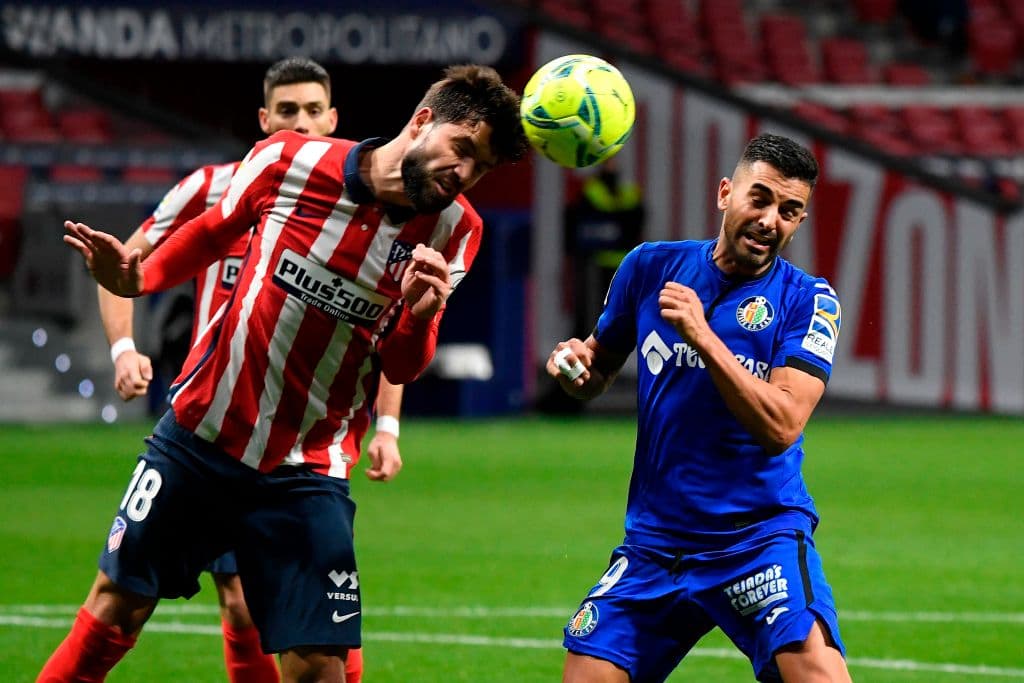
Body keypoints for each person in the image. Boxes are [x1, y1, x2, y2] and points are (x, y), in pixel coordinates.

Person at [43, 64, 528, 683]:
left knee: (320, 666)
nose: (464, 174)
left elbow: (404, 362)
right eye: (463, 149)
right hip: (201, 435)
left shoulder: (458, 231)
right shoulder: (288, 162)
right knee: (117, 605)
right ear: (423, 121)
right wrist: (139, 278)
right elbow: (211, 235)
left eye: (480, 168)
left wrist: (420, 317)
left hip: (307, 465)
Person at [97, 57, 395, 683]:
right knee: (229, 598)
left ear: (335, 118)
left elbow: (386, 335)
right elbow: (123, 267)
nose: (303, 122)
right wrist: (125, 350)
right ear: (265, 121)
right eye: (288, 111)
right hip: (213, 424)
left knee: (301, 622)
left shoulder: (367, 213)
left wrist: (388, 426)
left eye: (315, 110)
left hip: (307, 444)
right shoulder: (211, 188)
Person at [547, 133, 851, 683]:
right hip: (656, 543)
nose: (769, 220)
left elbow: (782, 425)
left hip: (756, 540)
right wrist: (575, 366)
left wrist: (704, 337)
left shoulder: (810, 300)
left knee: (819, 677)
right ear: (725, 193)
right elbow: (595, 372)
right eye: (759, 199)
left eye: (789, 211)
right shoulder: (648, 267)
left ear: (799, 222)